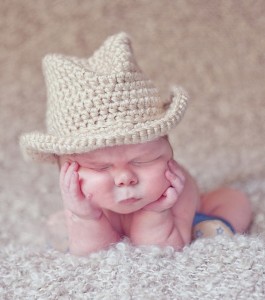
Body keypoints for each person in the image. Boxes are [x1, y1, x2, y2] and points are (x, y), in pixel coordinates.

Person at [20, 33, 252, 256]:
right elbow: (96, 257)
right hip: (92, 219)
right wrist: (86, 218)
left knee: (234, 200)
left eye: (143, 160)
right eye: (100, 167)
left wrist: (156, 213)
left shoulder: (173, 191)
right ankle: (79, 224)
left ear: (167, 150)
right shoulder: (84, 203)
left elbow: (160, 252)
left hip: (183, 219)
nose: (125, 178)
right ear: (65, 170)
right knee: (69, 231)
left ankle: (214, 224)